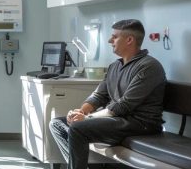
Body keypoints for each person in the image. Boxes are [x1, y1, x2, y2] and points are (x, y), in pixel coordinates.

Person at [48, 19, 166, 169]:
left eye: (115, 37)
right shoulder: (115, 66)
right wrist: (81, 111)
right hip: (117, 120)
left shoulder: (149, 67)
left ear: (129, 40)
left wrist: (87, 118)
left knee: (78, 128)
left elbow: (124, 105)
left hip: (140, 124)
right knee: (57, 124)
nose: (110, 40)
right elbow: (99, 95)